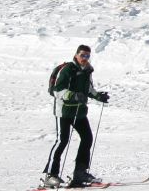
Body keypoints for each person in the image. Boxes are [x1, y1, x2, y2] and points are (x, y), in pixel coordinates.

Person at [41, 45, 109, 189]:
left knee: (87, 138)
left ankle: (80, 173)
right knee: (62, 141)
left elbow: (88, 88)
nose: (85, 58)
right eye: (83, 55)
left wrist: (98, 96)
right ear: (76, 55)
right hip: (64, 112)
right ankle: (50, 175)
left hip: (79, 111)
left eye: (87, 56)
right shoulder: (67, 70)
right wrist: (72, 95)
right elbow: (56, 91)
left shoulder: (87, 71)